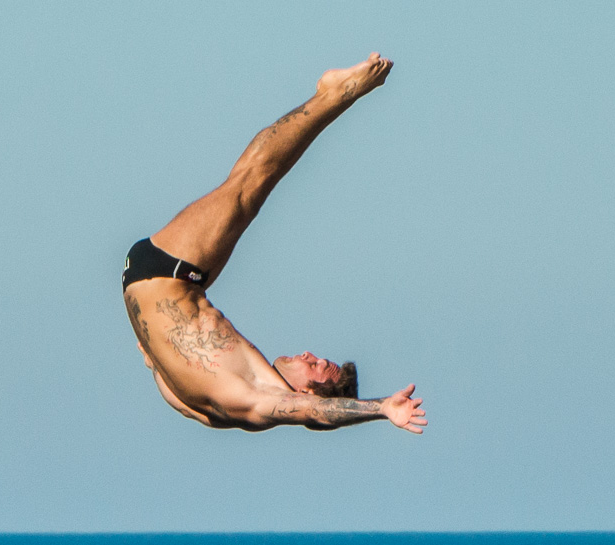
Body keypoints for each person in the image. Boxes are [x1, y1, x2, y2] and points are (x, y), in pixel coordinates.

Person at [122, 53, 426, 434]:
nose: (310, 355)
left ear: (306, 393)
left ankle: (336, 93)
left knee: (251, 181)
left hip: (168, 270)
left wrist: (382, 408)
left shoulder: (261, 401)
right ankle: (333, 94)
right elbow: (162, 372)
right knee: (249, 189)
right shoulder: (219, 411)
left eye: (317, 367)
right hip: (167, 275)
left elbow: (316, 413)